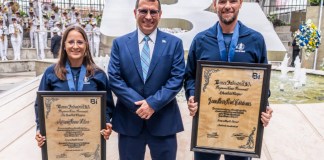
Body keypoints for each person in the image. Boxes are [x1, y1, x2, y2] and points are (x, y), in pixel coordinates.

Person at [184, 0, 273, 160]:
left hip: (242, 127)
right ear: (214, 4)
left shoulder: (255, 40)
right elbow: (190, 76)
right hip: (208, 125)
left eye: (232, 1)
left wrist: (264, 107)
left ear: (240, 3)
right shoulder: (201, 39)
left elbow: (262, 82)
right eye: (222, 1)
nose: (227, 6)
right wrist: (192, 95)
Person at [108, 0, 185, 159]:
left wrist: (152, 104)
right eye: (143, 11)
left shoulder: (174, 44)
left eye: (153, 12)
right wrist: (140, 105)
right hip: (129, 122)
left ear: (160, 14)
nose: (148, 17)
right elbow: (115, 78)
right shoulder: (119, 44)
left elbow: (176, 79)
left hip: (164, 121)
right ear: (135, 13)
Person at [35, 25, 115, 147]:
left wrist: (106, 122)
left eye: (80, 42)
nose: (76, 46)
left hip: (90, 140)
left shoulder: (98, 74)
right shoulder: (51, 73)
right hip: (59, 141)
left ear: (86, 45)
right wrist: (40, 130)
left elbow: (107, 106)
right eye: (71, 42)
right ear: (64, 45)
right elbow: (40, 105)